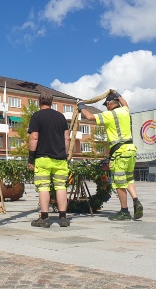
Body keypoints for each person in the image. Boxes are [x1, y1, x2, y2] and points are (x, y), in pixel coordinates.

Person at [78, 89, 143, 221]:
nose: (106, 107)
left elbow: (90, 117)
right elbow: (126, 104)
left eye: (106, 104)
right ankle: (136, 200)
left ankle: (124, 211)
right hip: (131, 150)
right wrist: (118, 94)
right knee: (129, 178)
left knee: (119, 182)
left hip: (119, 152)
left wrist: (81, 107)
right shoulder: (125, 111)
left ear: (109, 104)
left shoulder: (109, 115)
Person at [28, 91, 71, 228]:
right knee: (61, 186)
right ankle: (63, 218)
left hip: (43, 158)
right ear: (51, 102)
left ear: (39, 102)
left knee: (44, 187)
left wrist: (31, 158)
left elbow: (34, 137)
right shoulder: (61, 117)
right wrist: (65, 154)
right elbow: (67, 138)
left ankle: (44, 218)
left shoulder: (37, 116)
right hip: (60, 158)